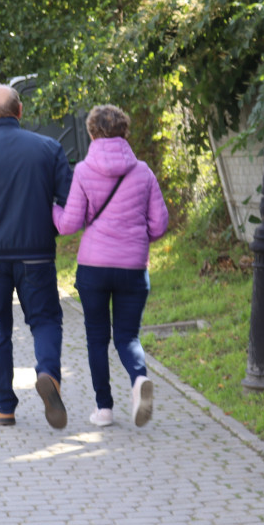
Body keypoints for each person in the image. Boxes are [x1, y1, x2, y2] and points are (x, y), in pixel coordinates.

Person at [0, 84, 74, 429]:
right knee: (44, 320)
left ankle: (3, 405)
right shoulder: (49, 148)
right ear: (20, 110)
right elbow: (70, 200)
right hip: (37, 253)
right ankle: (49, 376)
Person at [52, 104, 169, 427]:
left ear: (91, 133)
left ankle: (104, 409)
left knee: (96, 337)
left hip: (94, 268)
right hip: (133, 267)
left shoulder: (85, 171)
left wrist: (51, 210)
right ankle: (138, 380)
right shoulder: (143, 171)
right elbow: (159, 225)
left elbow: (69, 224)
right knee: (128, 337)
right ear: (125, 132)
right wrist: (133, 236)